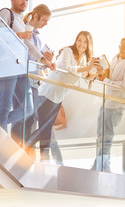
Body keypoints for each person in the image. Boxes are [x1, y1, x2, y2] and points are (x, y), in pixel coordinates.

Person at [25, 31, 101, 162]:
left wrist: (94, 73)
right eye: (79, 40)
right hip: (48, 92)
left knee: (46, 129)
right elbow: (67, 68)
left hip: (59, 96)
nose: (81, 44)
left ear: (89, 45)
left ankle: (41, 157)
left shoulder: (83, 59)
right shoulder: (67, 51)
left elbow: (82, 76)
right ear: (75, 41)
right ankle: (30, 149)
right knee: (45, 129)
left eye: (85, 42)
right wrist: (87, 68)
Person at [0, 0, 54, 142]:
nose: (24, 2)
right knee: (6, 105)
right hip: (7, 65)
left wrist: (44, 60)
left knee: (28, 108)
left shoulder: (21, 21)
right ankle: (0, 137)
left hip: (20, 68)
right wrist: (19, 35)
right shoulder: (6, 13)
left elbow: (30, 46)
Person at [91, 37, 125, 172]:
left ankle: (101, 165)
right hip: (107, 101)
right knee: (100, 133)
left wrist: (107, 81)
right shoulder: (115, 58)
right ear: (119, 46)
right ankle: (102, 164)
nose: (124, 50)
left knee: (106, 135)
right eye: (123, 46)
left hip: (117, 104)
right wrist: (102, 76)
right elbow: (110, 77)